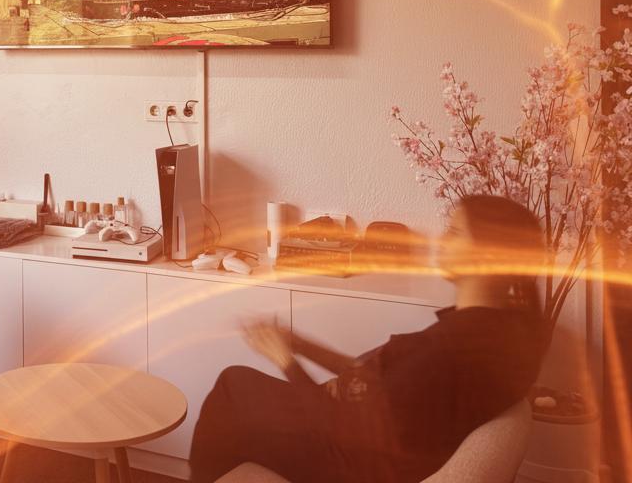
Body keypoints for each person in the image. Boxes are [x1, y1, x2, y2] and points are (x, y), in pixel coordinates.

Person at [189, 196, 546, 483]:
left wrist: (285, 360)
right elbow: (376, 379)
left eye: (454, 232)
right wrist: (302, 344)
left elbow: (345, 430)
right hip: (365, 440)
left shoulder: (449, 349)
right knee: (239, 387)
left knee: (233, 391)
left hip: (348, 462)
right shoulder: (496, 332)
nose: (442, 239)